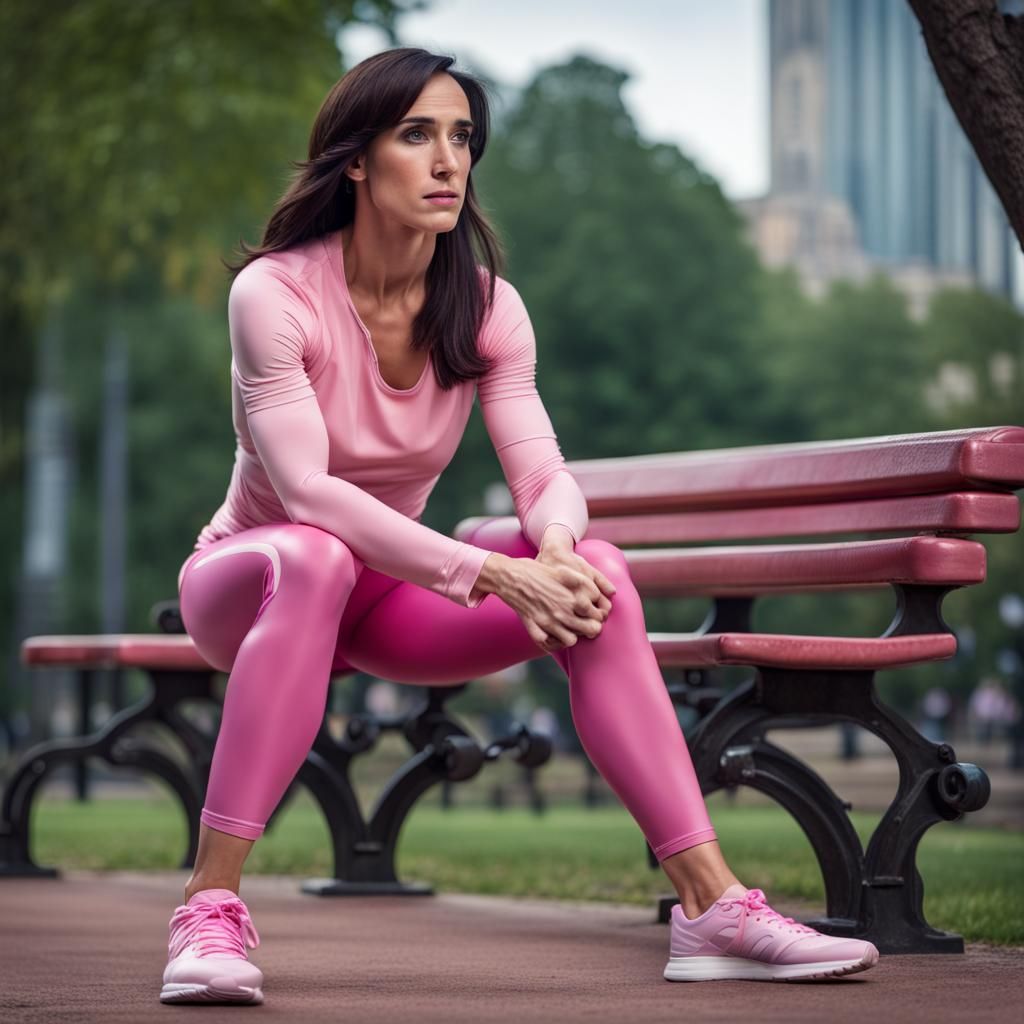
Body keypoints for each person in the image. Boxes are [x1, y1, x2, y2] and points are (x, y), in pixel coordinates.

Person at [161, 47, 879, 1004]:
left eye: (461, 136)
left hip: (388, 601)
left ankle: (711, 908)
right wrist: (495, 575)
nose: (449, 159)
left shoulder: (487, 307)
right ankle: (209, 911)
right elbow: (309, 493)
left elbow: (541, 470)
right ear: (357, 162)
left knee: (602, 576)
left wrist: (551, 548)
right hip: (249, 585)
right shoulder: (276, 295)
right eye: (417, 134)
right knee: (316, 553)